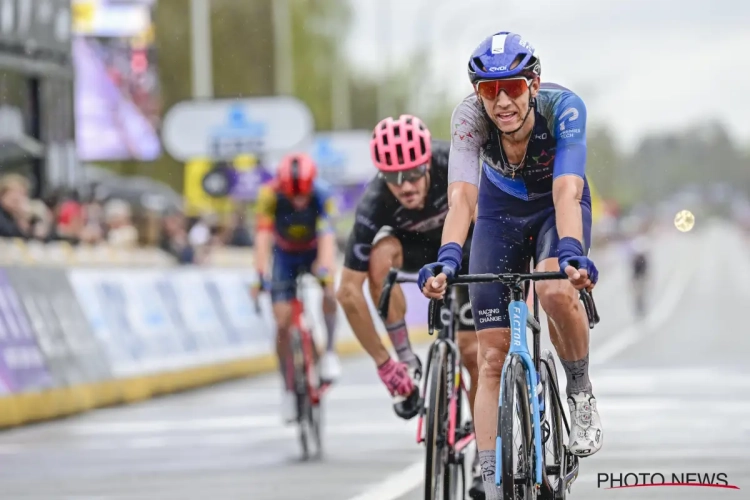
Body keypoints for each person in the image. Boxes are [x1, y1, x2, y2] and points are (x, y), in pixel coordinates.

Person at [417, 32, 604, 498]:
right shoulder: (468, 119)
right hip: (499, 216)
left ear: (534, 84)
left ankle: (579, 389)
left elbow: (567, 191)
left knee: (555, 290)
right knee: (491, 358)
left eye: (514, 88)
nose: (501, 101)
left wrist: (570, 252)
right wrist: (447, 259)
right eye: (488, 90)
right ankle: (490, 480)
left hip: (553, 206)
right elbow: (461, 199)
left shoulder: (566, 109)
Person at [336, 114, 486, 498]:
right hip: (417, 252)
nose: (405, 186)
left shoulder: (452, 162)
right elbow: (347, 292)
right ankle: (408, 364)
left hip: (467, 249)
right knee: (377, 259)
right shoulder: (375, 198)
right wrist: (385, 364)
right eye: (393, 177)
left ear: (426, 163)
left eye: (413, 174)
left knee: (472, 354)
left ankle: (486, 458)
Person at [252, 152, 341, 423]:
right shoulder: (268, 195)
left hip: (314, 251)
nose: (300, 201)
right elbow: (263, 237)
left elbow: (327, 237)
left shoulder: (323, 193)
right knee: (281, 321)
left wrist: (325, 272)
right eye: (293, 196)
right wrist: (259, 275)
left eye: (303, 195)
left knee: (329, 292)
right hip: (285, 256)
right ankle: (288, 390)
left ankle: (328, 353)